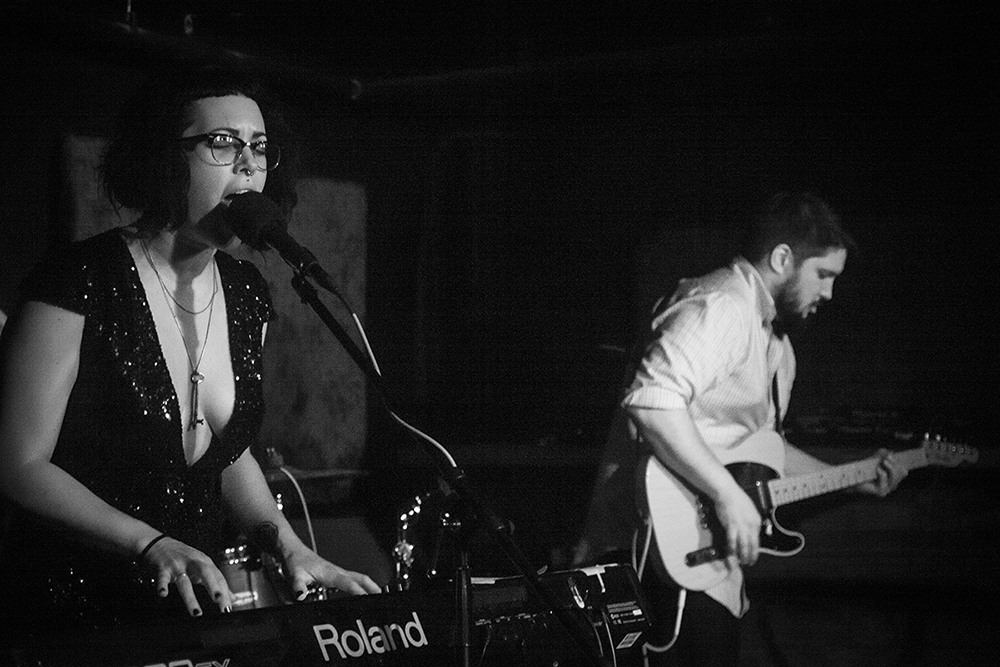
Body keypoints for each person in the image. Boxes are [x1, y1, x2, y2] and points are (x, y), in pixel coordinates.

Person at [0, 66, 380, 636]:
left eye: (259, 147)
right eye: (222, 143)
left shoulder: (247, 292)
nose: (248, 163)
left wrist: (290, 548)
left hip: (190, 615)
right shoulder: (79, 279)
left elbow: (225, 453)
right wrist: (148, 542)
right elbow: (19, 464)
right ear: (163, 156)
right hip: (71, 615)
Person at [573, 192, 908, 666]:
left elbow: (764, 450)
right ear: (782, 258)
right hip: (648, 556)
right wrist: (729, 497)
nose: (829, 293)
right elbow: (652, 400)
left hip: (705, 560)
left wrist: (855, 475)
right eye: (823, 275)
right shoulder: (724, 305)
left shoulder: (777, 345)